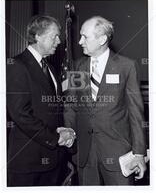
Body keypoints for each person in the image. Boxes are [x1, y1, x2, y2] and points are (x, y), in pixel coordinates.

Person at [64, 16, 147, 185]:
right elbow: (72, 105)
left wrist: (139, 154)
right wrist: (69, 132)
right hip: (85, 154)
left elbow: (135, 113)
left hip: (118, 154)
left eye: (85, 37)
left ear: (102, 39)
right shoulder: (78, 66)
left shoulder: (126, 66)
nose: (80, 42)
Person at [7, 15, 76, 186]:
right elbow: (21, 114)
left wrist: (65, 133)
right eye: (55, 36)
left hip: (54, 161)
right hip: (29, 162)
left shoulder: (50, 68)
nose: (59, 41)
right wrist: (55, 138)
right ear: (37, 36)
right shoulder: (16, 65)